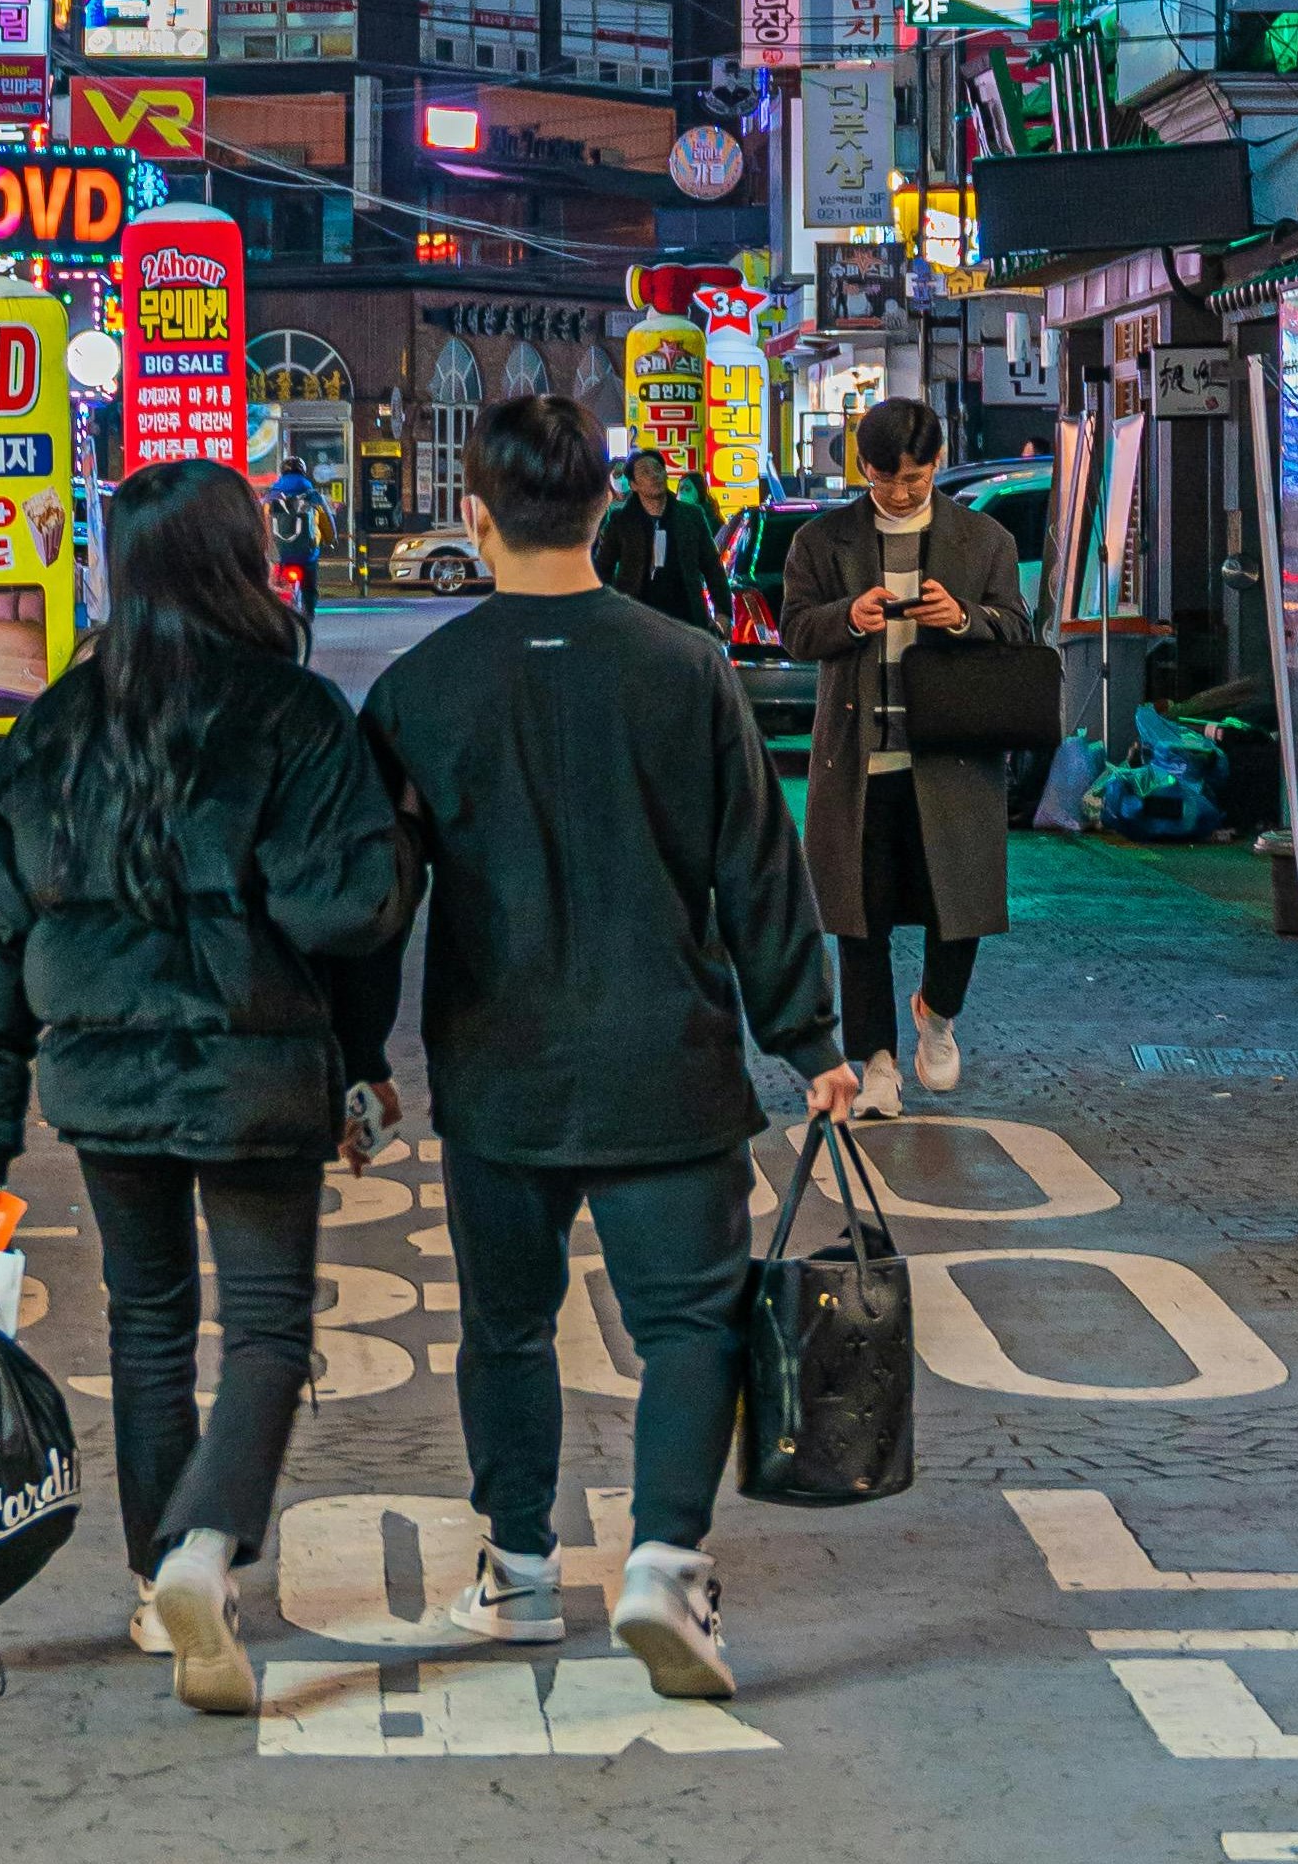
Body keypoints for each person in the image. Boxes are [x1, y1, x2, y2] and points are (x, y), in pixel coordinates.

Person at [361, 395, 854, 1700]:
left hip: (496, 1062)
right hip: (667, 1054)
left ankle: (518, 1574)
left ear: (475, 515)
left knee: (507, 1329)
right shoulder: (687, 667)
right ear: (601, 510)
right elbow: (761, 872)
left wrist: (358, 1058)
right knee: (690, 1323)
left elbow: (373, 905)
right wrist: (812, 1042)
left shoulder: (419, 690)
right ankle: (664, 1568)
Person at [0, 459, 413, 1716]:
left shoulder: (57, 723)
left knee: (146, 1328)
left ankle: (158, 1585)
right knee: (267, 1328)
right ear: (239, 559)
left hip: (99, 1079)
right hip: (253, 1070)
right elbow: (344, 908)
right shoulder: (294, 713)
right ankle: (207, 1549)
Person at [780, 399, 1038, 1117]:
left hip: (950, 759)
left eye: (915, 479)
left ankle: (939, 1010)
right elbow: (794, 629)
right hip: (859, 763)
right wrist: (844, 619)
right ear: (863, 467)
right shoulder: (822, 540)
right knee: (861, 921)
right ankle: (879, 1064)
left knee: (960, 909)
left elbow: (1018, 626)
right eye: (886, 478)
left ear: (936, 467)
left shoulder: (982, 540)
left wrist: (962, 618)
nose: (899, 493)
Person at [593, 449, 729, 636]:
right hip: (636, 619)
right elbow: (603, 569)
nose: (654, 475)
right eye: (645, 472)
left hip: (686, 617)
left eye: (658, 469)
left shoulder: (691, 516)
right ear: (633, 484)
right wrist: (606, 614)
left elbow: (712, 567)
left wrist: (723, 612)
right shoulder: (621, 520)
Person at [266, 459, 327, 619]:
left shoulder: (271, 496)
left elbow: (261, 519)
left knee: (274, 580)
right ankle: (309, 614)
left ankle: (275, 611)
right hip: (306, 553)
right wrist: (330, 538)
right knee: (309, 585)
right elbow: (326, 520)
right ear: (303, 472)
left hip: (278, 553)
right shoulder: (311, 494)